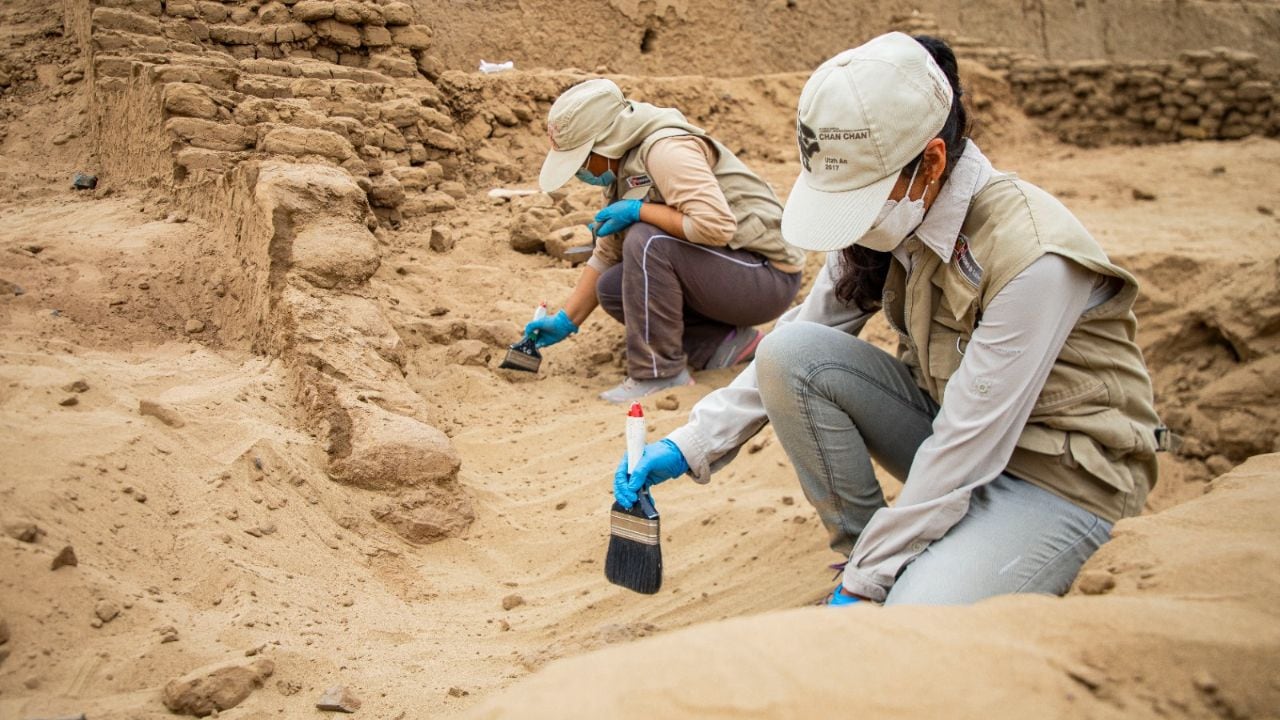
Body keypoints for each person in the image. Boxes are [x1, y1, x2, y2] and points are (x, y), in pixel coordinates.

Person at [613, 33, 1164, 606]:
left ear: (931, 161)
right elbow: (807, 334)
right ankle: (866, 551)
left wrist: (870, 582)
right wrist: (689, 445)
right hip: (956, 433)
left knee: (910, 618)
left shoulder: (1032, 256)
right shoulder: (892, 223)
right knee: (791, 352)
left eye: (861, 197)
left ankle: (888, 573)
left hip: (1059, 477)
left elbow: (968, 443)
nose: (850, 219)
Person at [525, 78, 807, 403]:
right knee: (613, 287)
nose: (580, 173)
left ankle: (660, 374)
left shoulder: (665, 150)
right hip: (728, 273)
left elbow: (715, 227)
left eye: (582, 161)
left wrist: (640, 210)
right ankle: (723, 344)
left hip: (766, 276)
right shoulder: (622, 165)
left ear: (605, 143)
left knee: (647, 242)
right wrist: (566, 320)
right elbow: (607, 253)